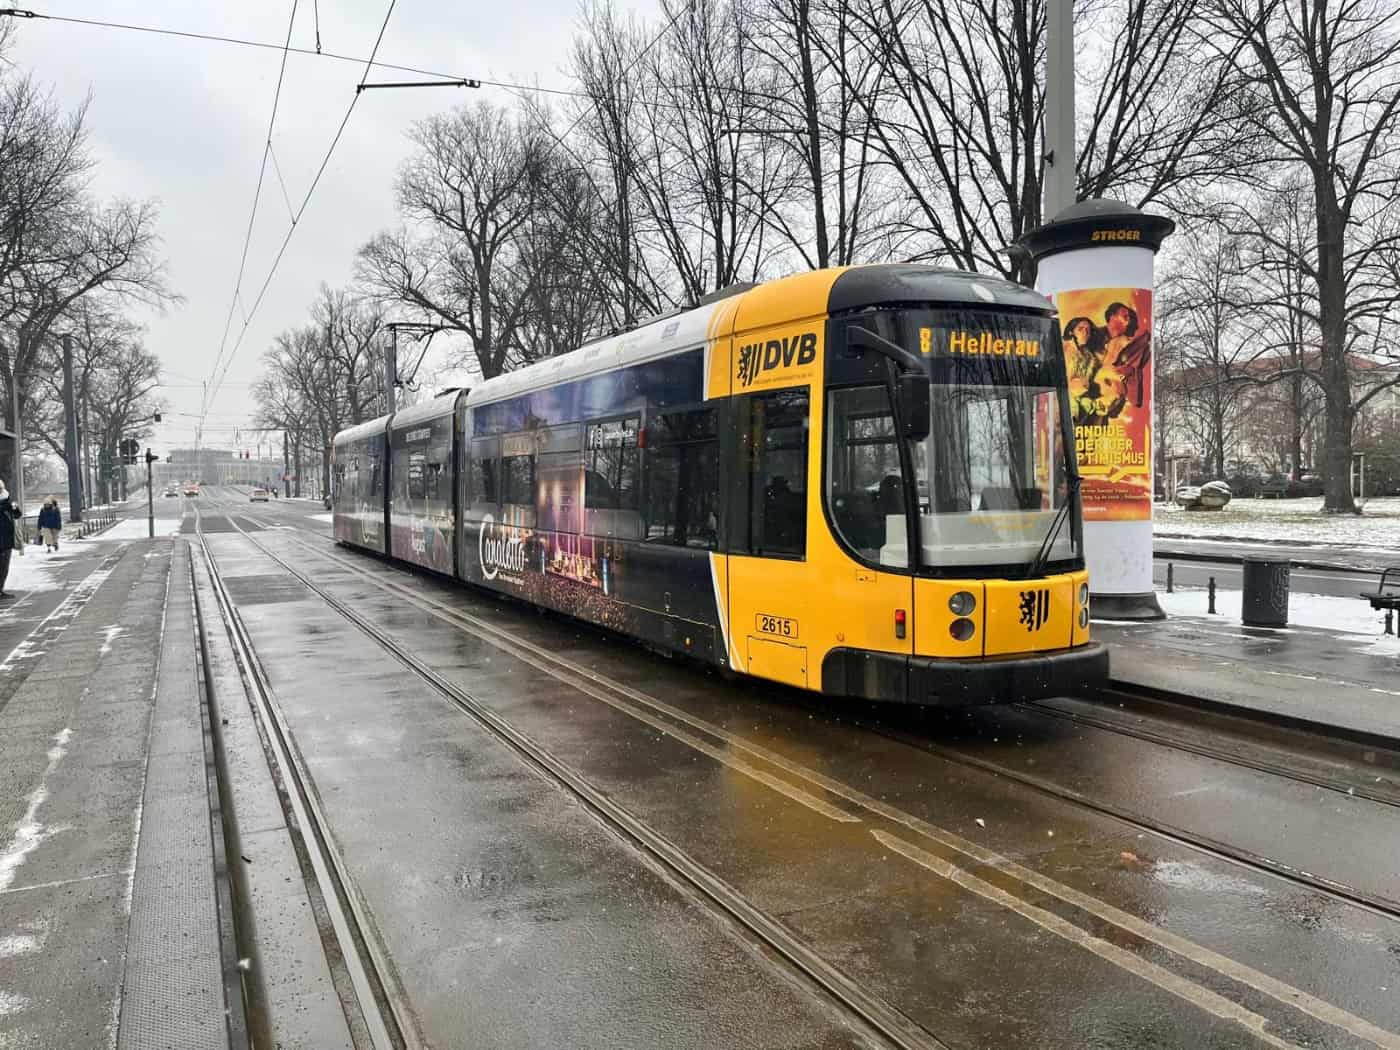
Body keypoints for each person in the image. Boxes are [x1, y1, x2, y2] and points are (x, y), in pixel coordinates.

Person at [0, 481, 20, 599]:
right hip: (4, 539)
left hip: (6, 540)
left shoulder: (8, 501)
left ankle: (0, 589)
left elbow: (17, 515)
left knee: (4, 567)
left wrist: (15, 508)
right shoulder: (5, 504)